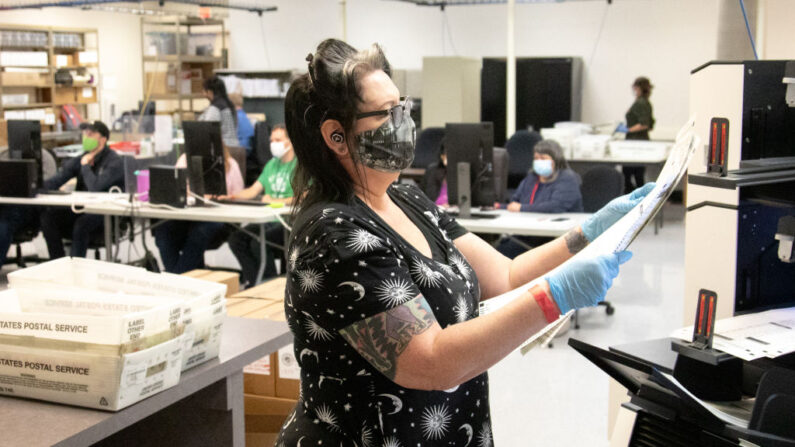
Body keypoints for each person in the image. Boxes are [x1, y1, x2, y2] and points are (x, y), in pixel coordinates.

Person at [275, 38, 653, 446]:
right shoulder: (334, 236)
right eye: (387, 114)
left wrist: (586, 235)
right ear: (336, 137)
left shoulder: (405, 198)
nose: (404, 122)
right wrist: (554, 296)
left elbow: (505, 275)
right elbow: (431, 361)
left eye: (403, 108)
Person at [223, 124, 296, 286]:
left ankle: (271, 285)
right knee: (236, 240)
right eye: (272, 140)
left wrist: (277, 201)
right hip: (267, 220)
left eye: (278, 140)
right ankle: (257, 281)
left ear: (290, 142)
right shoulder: (272, 165)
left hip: (287, 222)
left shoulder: (300, 165)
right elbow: (253, 191)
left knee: (258, 243)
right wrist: (231, 196)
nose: (273, 144)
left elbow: (305, 196)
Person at [152, 146, 244, 273]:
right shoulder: (185, 160)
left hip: (217, 217)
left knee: (200, 232)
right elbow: (177, 187)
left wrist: (224, 197)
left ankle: (176, 279)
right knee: (163, 231)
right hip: (187, 217)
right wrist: (190, 192)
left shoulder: (230, 164)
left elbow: (239, 197)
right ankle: (180, 278)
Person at [39, 121, 124, 259]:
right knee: (48, 217)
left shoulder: (114, 161)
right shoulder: (82, 157)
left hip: (105, 211)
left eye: (90, 134)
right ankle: (59, 262)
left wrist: (85, 166)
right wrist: (36, 188)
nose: (86, 137)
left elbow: (95, 187)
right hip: (81, 208)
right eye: (85, 134)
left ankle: (76, 265)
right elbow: (59, 178)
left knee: (82, 223)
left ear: (103, 139)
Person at [495, 139, 583, 258]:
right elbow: (515, 202)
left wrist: (522, 208)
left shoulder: (568, 178)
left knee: (506, 252)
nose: (539, 161)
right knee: (499, 250)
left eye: (543, 158)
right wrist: (500, 207)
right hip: (527, 233)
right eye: (536, 158)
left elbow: (555, 206)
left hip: (555, 238)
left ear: (555, 160)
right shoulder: (531, 178)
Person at [619, 76, 655, 193]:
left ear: (638, 87)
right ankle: (639, 198)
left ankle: (636, 198)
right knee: (636, 173)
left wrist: (628, 130)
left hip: (636, 142)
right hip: (639, 140)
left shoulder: (641, 103)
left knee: (629, 173)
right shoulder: (644, 102)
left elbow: (644, 124)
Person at [199, 76, 240, 147]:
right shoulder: (230, 105)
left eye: (203, 91)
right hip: (235, 146)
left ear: (209, 92)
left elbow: (207, 128)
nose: (202, 94)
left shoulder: (215, 108)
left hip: (223, 149)